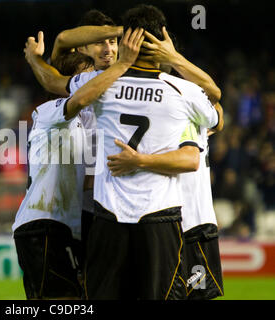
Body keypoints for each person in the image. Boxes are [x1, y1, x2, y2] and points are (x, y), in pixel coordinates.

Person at [13, 28, 144, 300]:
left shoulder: (80, 128)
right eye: (89, 77)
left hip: (64, 227)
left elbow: (86, 181)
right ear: (73, 82)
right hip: (42, 224)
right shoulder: (50, 112)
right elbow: (80, 95)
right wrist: (122, 64)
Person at [107, 26, 224, 300]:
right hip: (163, 221)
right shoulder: (162, 104)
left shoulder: (189, 104)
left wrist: (174, 58)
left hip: (192, 222)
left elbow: (214, 99)